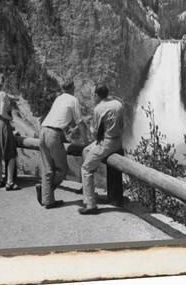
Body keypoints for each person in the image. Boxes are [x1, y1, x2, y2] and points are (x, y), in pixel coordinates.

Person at [36, 79, 87, 209]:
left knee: (48, 169)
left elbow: (58, 118)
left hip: (42, 131)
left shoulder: (59, 99)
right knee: (62, 169)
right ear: (72, 88)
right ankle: (45, 192)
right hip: (53, 134)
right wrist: (86, 142)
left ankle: (47, 199)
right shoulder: (73, 100)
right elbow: (80, 122)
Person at [79, 84, 124, 215]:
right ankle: (89, 188)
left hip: (106, 143)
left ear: (98, 96)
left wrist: (88, 126)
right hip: (118, 140)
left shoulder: (99, 109)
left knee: (85, 169)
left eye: (94, 95)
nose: (93, 97)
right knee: (86, 151)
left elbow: (95, 132)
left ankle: (90, 204)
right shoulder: (118, 103)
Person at [0, 74, 20, 191]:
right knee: (11, 154)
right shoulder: (3, 94)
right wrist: (10, 118)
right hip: (4, 124)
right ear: (1, 83)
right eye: (3, 82)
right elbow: (2, 112)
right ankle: (10, 182)